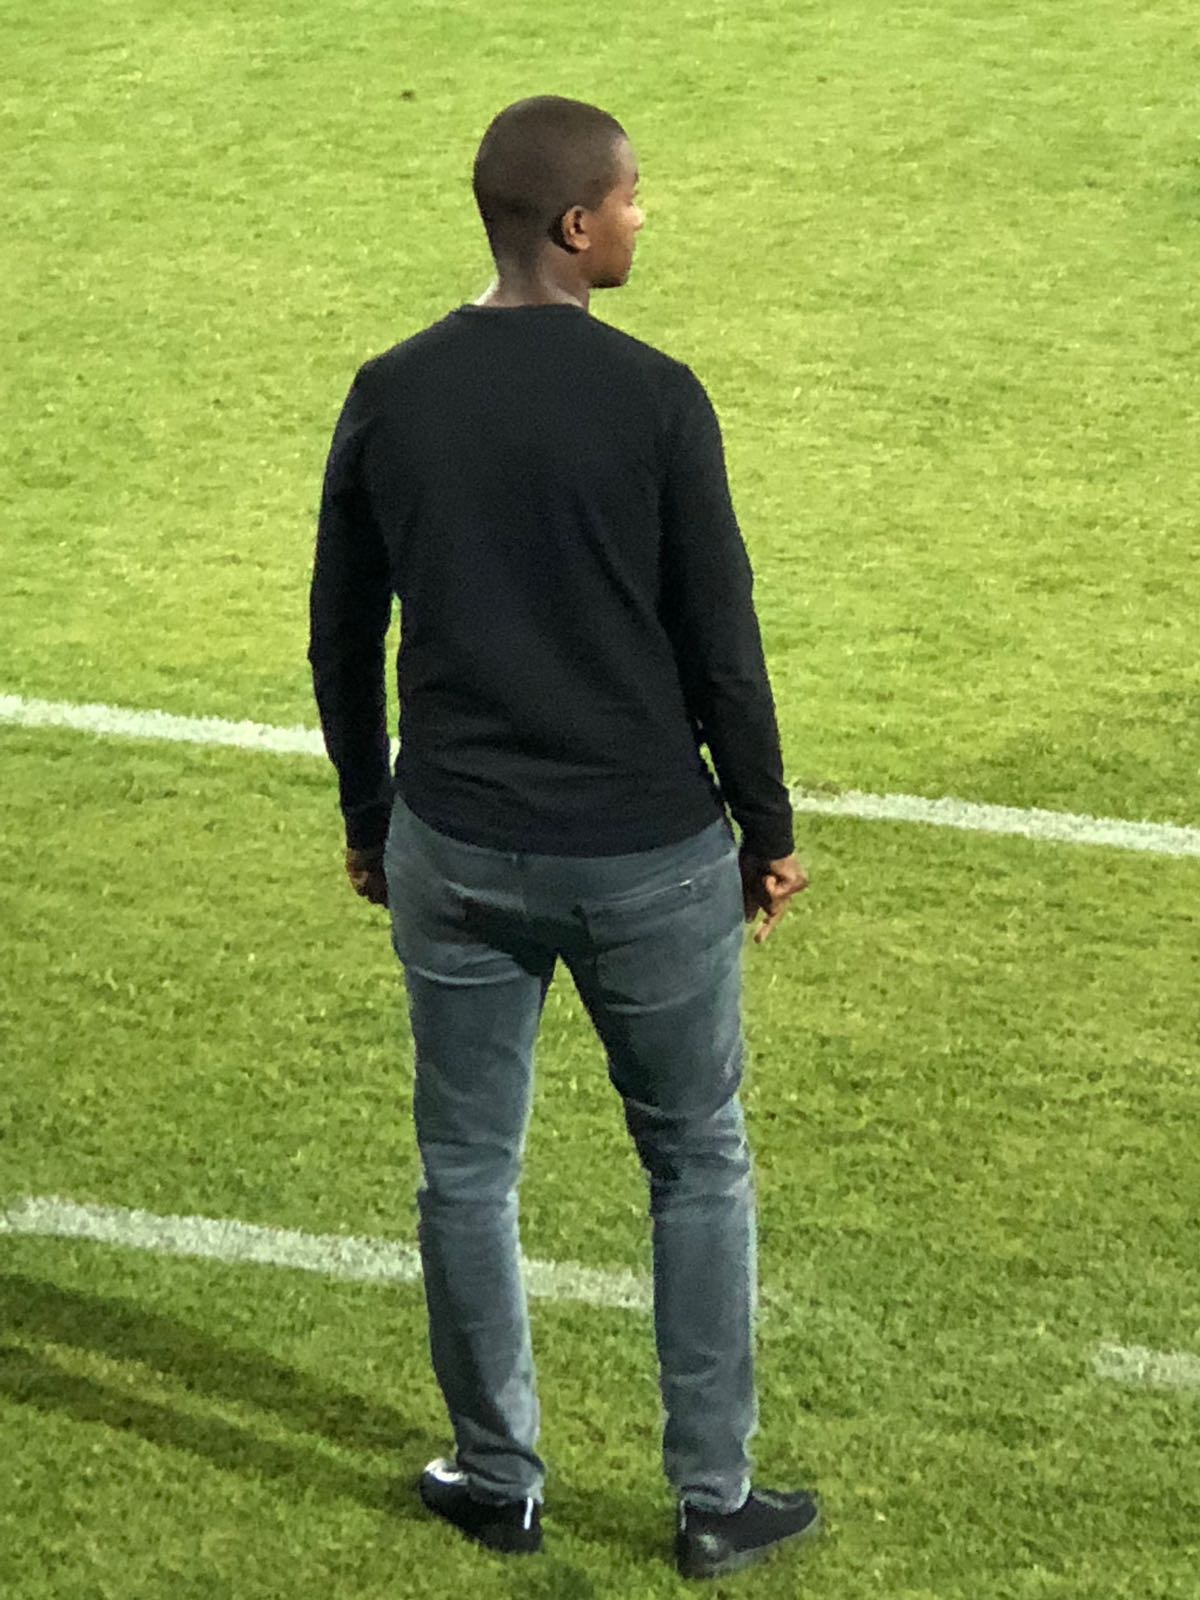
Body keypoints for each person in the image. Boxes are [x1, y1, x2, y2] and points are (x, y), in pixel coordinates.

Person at [308, 94, 817, 1581]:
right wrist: (767, 825)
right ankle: (712, 1500)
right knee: (697, 1162)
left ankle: (497, 1479)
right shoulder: (656, 397)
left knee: (466, 1171)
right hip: (649, 857)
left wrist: (368, 815)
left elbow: (340, 634)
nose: (647, 216)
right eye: (635, 198)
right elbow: (723, 643)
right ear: (577, 226)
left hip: (456, 851)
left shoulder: (393, 391)